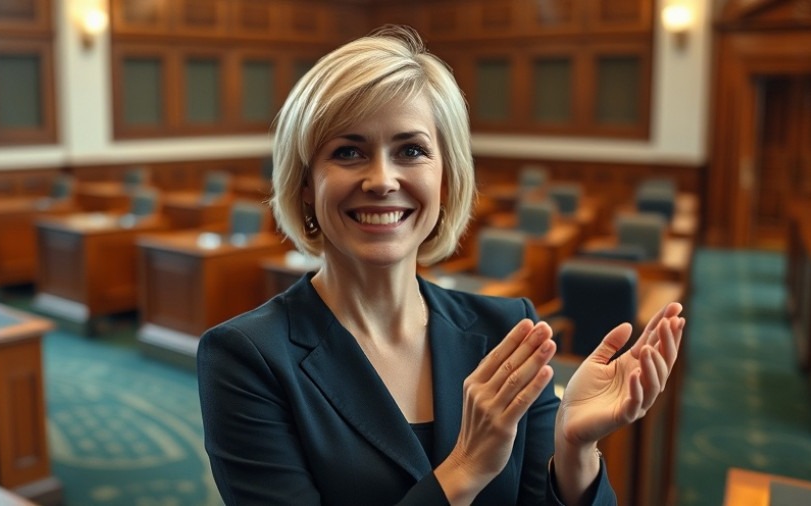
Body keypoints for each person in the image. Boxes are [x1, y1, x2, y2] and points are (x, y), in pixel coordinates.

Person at [197, 24, 685, 505]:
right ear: (305, 183)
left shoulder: (510, 331)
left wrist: (575, 449)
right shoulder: (246, 358)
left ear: (446, 179)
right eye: (348, 152)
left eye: (411, 150)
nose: (382, 179)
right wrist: (465, 468)